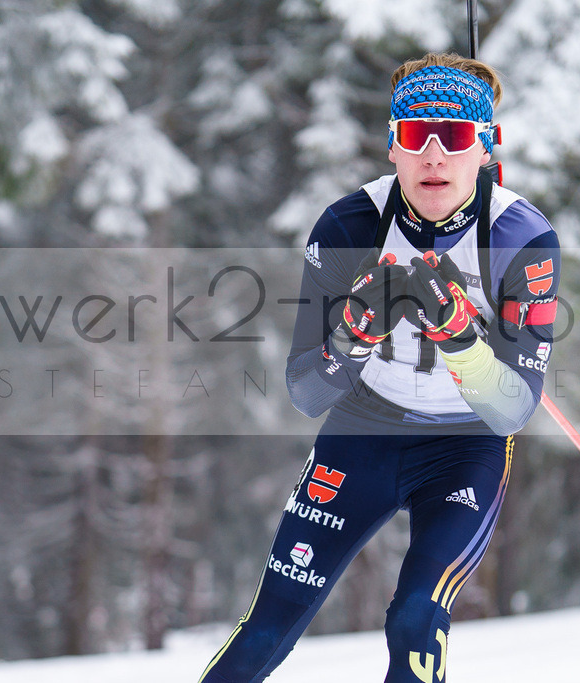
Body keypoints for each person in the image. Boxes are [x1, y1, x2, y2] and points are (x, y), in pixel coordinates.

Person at [199, 52, 560, 683]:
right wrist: (356, 334)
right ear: (393, 146)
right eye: (416, 135)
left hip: (463, 447)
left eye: (455, 137)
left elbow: (512, 409)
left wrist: (458, 338)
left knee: (416, 616)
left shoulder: (520, 238)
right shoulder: (349, 225)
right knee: (267, 628)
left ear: (485, 148)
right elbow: (308, 392)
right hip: (361, 432)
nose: (434, 157)